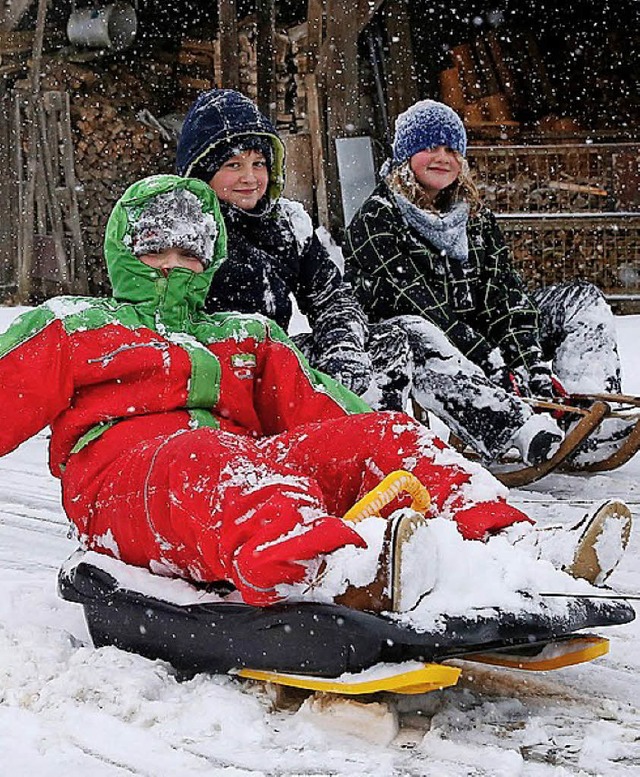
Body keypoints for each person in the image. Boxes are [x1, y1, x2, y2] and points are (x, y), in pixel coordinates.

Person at [1, 175, 627, 616]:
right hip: (125, 481)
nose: (172, 263)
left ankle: (513, 548)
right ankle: (332, 571)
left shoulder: (245, 336)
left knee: (389, 436)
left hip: (240, 465)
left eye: (189, 251)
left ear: (209, 257)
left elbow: (331, 415)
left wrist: (382, 444)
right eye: (155, 249)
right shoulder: (75, 326)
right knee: (207, 460)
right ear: (127, 253)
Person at [343, 99, 629, 467]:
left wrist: (529, 361)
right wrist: (493, 362)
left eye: (451, 149)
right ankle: (516, 425)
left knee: (580, 300)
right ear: (405, 156)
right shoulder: (378, 218)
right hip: (418, 344)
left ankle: (583, 410)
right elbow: (419, 308)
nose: (442, 157)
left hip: (482, 337)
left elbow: (505, 294)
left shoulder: (475, 217)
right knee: (421, 332)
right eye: (429, 147)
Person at [175, 88, 373, 398]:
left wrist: (342, 348)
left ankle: (376, 438)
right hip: (213, 376)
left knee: (401, 336)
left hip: (278, 364)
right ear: (202, 172)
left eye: (258, 164)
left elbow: (331, 298)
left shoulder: (286, 225)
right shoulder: (185, 232)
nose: (250, 178)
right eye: (233, 165)